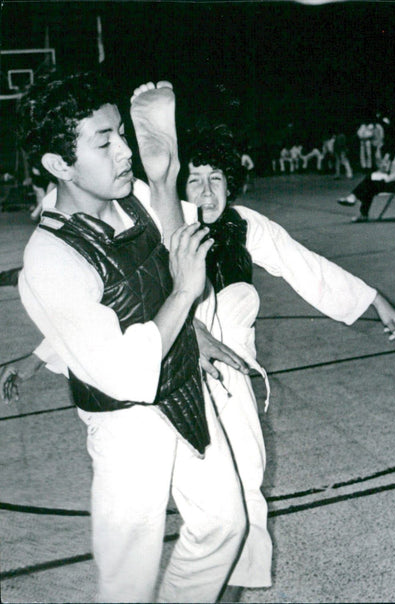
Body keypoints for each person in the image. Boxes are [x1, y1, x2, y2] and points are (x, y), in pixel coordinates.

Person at [12, 71, 246, 602]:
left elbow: (167, 256)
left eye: (122, 134)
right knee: (128, 581)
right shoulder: (49, 257)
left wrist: (164, 181)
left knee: (224, 524)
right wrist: (184, 298)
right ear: (58, 165)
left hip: (183, 384)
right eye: (105, 141)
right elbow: (124, 373)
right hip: (126, 426)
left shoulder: (132, 194)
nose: (124, 152)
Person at [179, 122, 395, 596]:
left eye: (215, 178)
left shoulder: (245, 225)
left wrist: (371, 299)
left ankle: (229, 594)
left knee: (246, 490)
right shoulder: (167, 229)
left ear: (230, 183)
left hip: (232, 381)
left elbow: (302, 264)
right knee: (209, 508)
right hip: (178, 379)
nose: (206, 190)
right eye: (194, 179)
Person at [336, 146, 395, 222]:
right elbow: (383, 169)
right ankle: (361, 210)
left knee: (369, 182)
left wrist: (385, 178)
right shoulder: (390, 153)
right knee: (369, 184)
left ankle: (355, 200)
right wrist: (382, 165)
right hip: (388, 181)